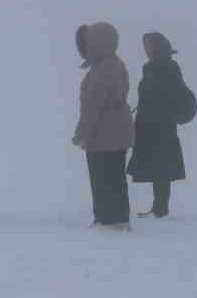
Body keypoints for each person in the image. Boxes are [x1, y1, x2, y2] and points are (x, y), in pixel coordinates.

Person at [72, 22, 134, 227]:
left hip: (101, 132)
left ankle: (104, 219)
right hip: (120, 129)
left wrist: (81, 133)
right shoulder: (117, 64)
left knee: (100, 177)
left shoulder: (100, 71)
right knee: (116, 177)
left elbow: (92, 108)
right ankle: (120, 218)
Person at [127, 31, 189, 218]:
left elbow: (174, 92)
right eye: (144, 46)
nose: (146, 50)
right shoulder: (150, 67)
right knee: (156, 166)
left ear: (157, 47)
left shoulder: (169, 67)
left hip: (162, 124)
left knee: (162, 166)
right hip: (148, 124)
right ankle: (158, 206)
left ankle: (161, 208)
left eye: (148, 45)